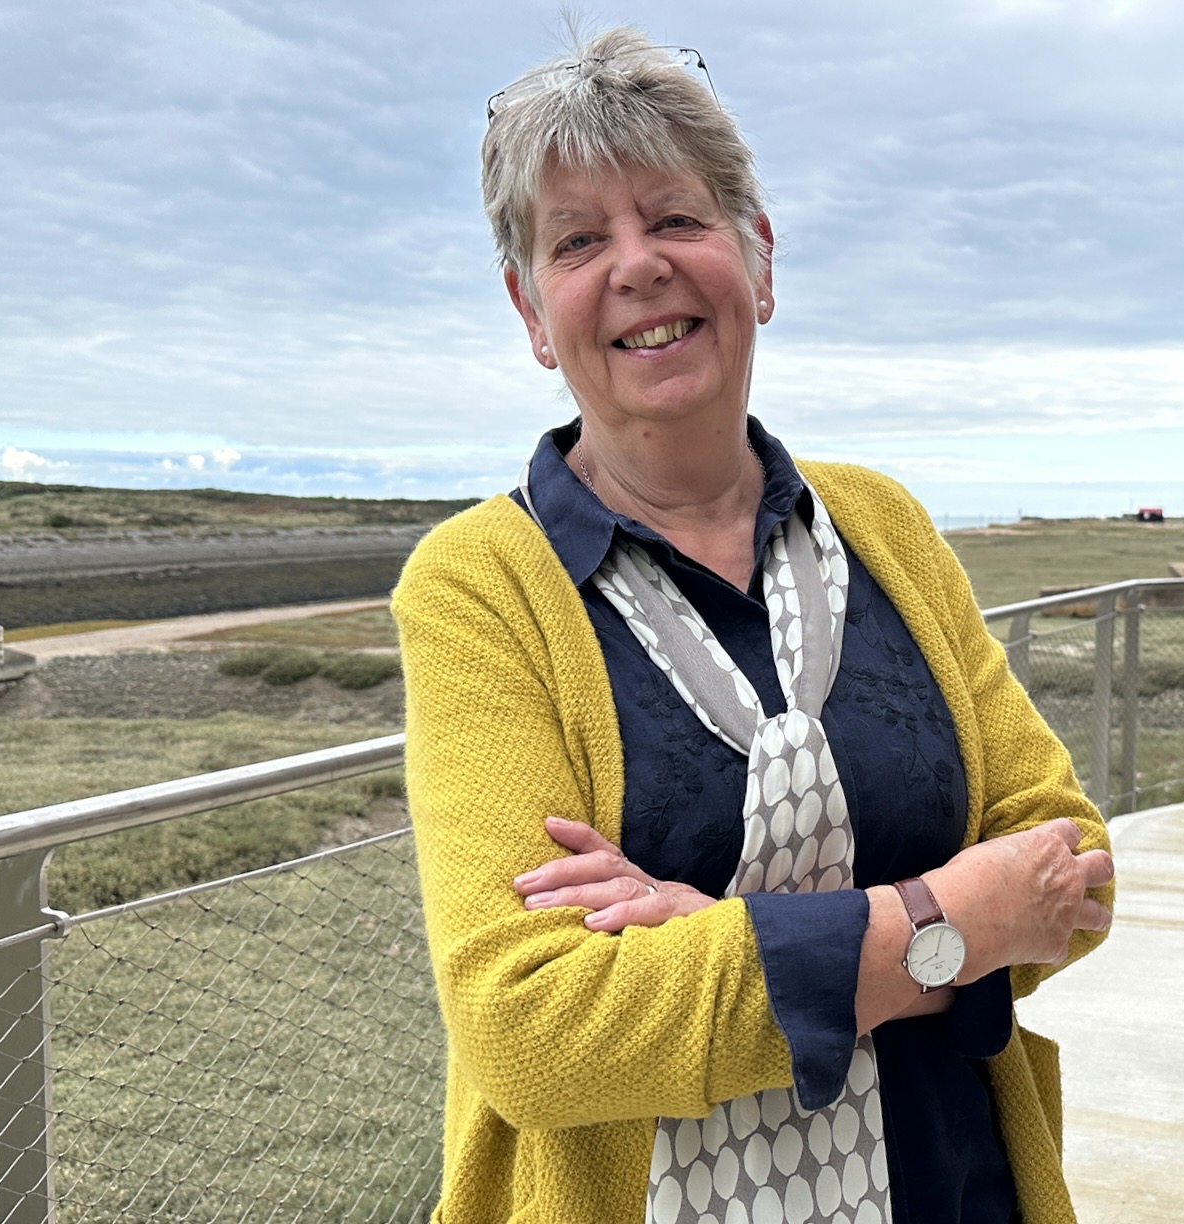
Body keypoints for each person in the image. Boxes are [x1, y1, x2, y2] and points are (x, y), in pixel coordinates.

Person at [395, 27, 1115, 1224]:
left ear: (759, 258)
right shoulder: (480, 586)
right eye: (578, 241)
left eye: (676, 218)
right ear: (531, 311)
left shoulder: (884, 527)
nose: (638, 266)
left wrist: (734, 946)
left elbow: (1072, 868)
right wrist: (943, 927)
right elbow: (533, 1029)